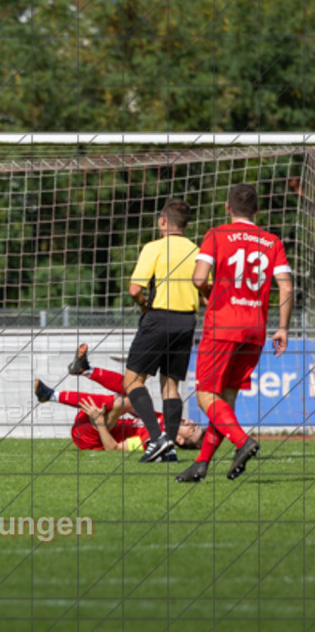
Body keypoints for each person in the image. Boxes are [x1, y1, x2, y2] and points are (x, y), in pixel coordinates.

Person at [178, 184, 292, 483]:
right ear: (257, 210)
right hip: (255, 329)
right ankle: (201, 464)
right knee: (225, 399)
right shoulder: (271, 241)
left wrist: (208, 291)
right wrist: (282, 328)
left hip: (223, 325)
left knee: (205, 396)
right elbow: (287, 287)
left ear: (228, 207)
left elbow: (199, 277)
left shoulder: (217, 235)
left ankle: (242, 441)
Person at [120, 198, 199, 463]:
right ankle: (170, 447)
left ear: (163, 221)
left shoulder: (154, 247)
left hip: (159, 318)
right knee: (170, 385)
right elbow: (206, 288)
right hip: (187, 321)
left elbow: (134, 289)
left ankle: (157, 439)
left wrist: (144, 306)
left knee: (132, 381)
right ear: (185, 225)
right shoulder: (196, 251)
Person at [34, 349, 203, 452]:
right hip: (93, 419)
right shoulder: (161, 419)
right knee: (135, 392)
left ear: (179, 440)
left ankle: (52, 395)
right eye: (194, 424)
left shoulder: (152, 441)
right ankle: (86, 370)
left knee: (127, 401)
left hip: (89, 436)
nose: (190, 421)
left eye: (192, 429)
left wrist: (100, 423)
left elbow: (113, 448)